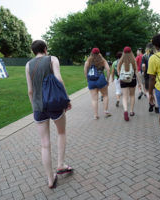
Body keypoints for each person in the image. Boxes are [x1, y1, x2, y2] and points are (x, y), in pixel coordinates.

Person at [25, 40, 73, 189]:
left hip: (39, 108)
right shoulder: (52, 59)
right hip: (54, 104)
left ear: (33, 51)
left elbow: (30, 90)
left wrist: (35, 107)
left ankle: (50, 179)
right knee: (61, 133)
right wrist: (66, 99)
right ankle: (60, 165)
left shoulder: (28, 65)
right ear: (45, 49)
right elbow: (59, 79)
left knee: (44, 144)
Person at [84, 48, 111, 119]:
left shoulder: (88, 61)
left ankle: (95, 115)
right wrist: (107, 80)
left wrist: (87, 79)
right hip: (101, 80)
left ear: (91, 53)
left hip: (91, 81)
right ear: (99, 53)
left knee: (94, 99)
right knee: (105, 95)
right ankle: (105, 111)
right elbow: (108, 69)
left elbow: (85, 70)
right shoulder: (102, 60)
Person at [117, 46, 140, 121]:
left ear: (123, 52)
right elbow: (136, 72)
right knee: (132, 95)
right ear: (131, 52)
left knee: (124, 96)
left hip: (123, 80)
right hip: (132, 79)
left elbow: (118, 71)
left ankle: (125, 110)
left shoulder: (121, 60)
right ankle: (131, 111)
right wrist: (139, 83)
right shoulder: (133, 60)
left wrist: (121, 76)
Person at [142, 43, 159, 113]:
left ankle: (151, 103)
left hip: (148, 74)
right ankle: (157, 107)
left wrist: (143, 72)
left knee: (147, 91)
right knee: (154, 91)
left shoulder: (145, 56)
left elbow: (143, 66)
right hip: (156, 75)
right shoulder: (157, 55)